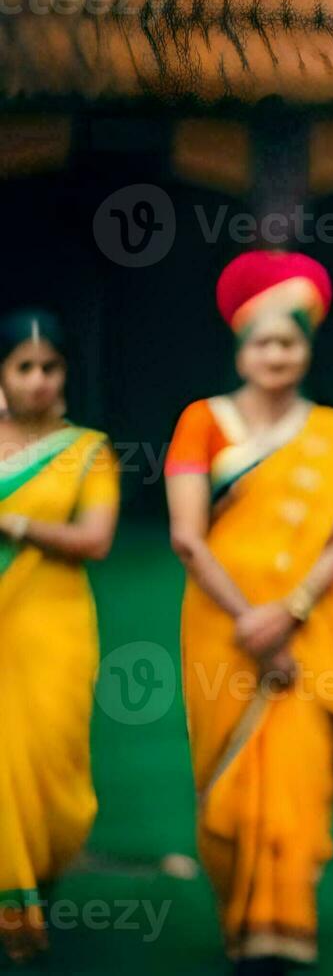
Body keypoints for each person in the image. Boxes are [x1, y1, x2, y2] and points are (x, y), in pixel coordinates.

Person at [165, 251, 333, 973]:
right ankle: (239, 905)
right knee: (226, 775)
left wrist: (287, 612)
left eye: (289, 341)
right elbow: (187, 537)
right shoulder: (202, 421)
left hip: (310, 623)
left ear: (306, 349)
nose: (276, 354)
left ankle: (280, 924)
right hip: (222, 627)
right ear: (240, 346)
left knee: (300, 768)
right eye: (262, 341)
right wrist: (252, 621)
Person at [0, 309, 119, 964]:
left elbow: (95, 539)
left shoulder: (89, 449)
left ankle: (43, 871)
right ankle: (12, 900)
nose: (39, 381)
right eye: (25, 367)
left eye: (50, 368)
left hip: (54, 628)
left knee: (55, 771)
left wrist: (18, 526)